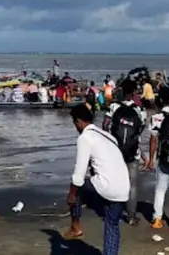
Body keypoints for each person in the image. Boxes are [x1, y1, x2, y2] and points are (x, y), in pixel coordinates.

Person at [64, 104, 129, 254]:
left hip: (107, 187)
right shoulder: (108, 135)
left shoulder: (85, 137)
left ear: (79, 122)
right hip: (124, 188)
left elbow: (79, 175)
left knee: (76, 186)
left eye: (75, 124)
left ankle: (76, 225)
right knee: (111, 225)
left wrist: (71, 195)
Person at [104, 95, 147, 224]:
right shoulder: (140, 110)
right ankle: (131, 217)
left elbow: (105, 125)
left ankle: (112, 213)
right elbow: (140, 130)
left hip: (115, 151)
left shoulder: (114, 106)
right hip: (133, 153)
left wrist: (109, 141)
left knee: (113, 183)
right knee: (132, 185)